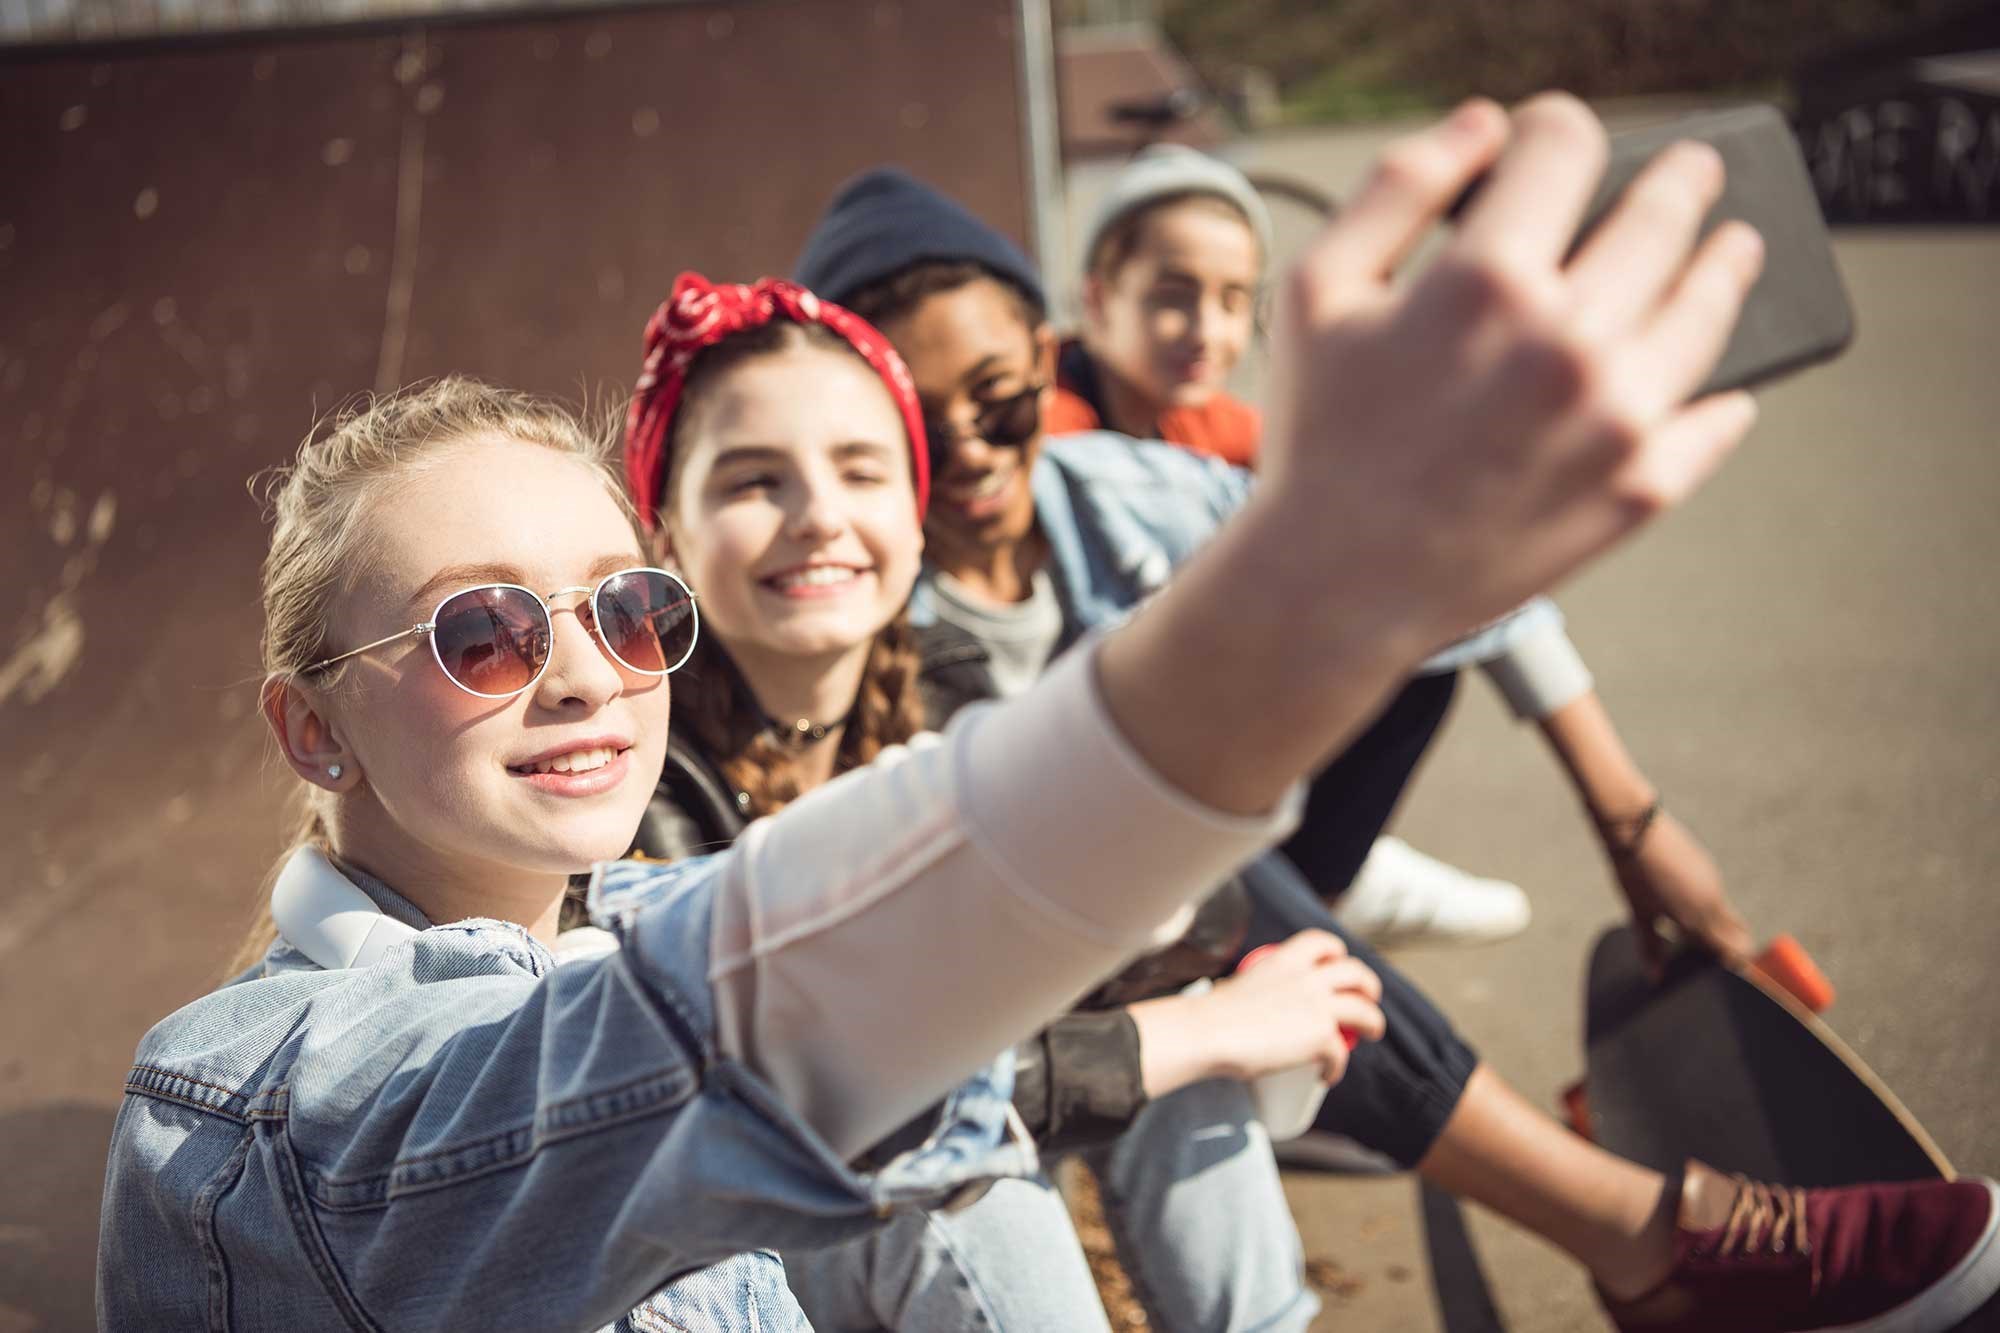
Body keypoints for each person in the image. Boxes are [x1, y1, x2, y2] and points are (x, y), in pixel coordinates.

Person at [95, 96, 1996, 1333]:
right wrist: (1301, 612)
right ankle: (1636, 1224)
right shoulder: (253, 1096)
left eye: (621, 611)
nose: (590, 662)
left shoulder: (647, 891)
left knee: (1022, 1134)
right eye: (486, 631)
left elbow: (834, 1026)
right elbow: (734, 1027)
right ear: (312, 731)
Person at [790, 117, 2000, 1331]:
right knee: (1195, 865)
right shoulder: (851, 587)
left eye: (1002, 408)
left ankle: (1369, 992)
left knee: (1383, 631)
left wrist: (1631, 823)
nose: (964, 460)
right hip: (1020, 978)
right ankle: (1640, 1232)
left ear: (1041, 366)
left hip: (1194, 906)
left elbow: (1452, 586)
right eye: (905, 426)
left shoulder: (1117, 488)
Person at [622, 271, 1377, 1330]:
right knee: (964, 1189)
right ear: (663, 534)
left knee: (1182, 1050)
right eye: (754, 481)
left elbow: (1198, 909)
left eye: (860, 470)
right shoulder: (638, 760)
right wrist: (1184, 1024)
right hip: (742, 1252)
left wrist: (1149, 941)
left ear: (914, 507)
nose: (820, 517)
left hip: (924, 1148)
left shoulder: (942, 671)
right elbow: (816, 1098)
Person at [1058, 141, 1541, 946]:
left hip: (1173, 769)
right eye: (1174, 296)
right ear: (1098, 298)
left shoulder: (1214, 425)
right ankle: (1307, 897)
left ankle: (1324, 877)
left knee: (1413, 648)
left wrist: (1627, 812)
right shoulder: (1048, 433)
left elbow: (1448, 574)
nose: (1207, 331)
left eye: (1233, 299)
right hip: (1084, 790)